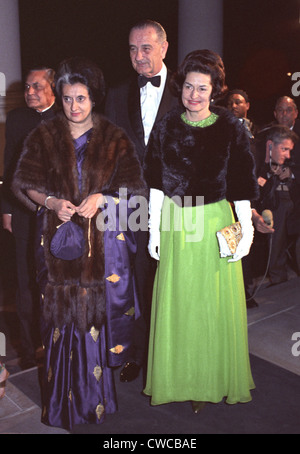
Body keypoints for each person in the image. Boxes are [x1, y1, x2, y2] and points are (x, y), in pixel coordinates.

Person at [12, 57, 146, 431]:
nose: (74, 106)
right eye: (68, 98)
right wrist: (51, 202)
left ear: (94, 99)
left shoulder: (115, 138)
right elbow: (25, 185)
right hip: (57, 246)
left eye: (82, 98)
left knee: (93, 323)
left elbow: (135, 192)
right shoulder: (43, 136)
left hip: (101, 249)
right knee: (58, 322)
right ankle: (60, 407)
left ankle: (95, 404)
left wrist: (103, 198)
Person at [143, 49, 259, 412]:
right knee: (180, 304)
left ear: (215, 91)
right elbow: (157, 184)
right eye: (189, 87)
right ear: (181, 88)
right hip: (176, 222)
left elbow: (241, 184)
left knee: (212, 305)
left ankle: (211, 379)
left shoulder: (230, 127)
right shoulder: (167, 126)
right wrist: (153, 230)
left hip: (215, 223)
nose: (194, 95)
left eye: (202, 88)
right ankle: (181, 378)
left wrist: (247, 232)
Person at [105, 19, 178, 383]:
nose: (138, 56)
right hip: (132, 204)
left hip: (180, 205)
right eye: (133, 49)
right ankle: (138, 352)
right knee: (136, 279)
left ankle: (173, 354)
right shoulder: (117, 94)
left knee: (173, 279)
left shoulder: (188, 91)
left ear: (164, 48)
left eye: (146, 48)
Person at [1, 67, 56, 369]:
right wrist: (6, 209)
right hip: (23, 213)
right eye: (27, 87)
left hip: (60, 215)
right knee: (25, 283)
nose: (30, 92)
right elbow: (8, 163)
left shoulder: (67, 115)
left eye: (37, 86)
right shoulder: (18, 118)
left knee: (55, 282)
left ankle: (56, 344)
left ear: (53, 88)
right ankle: (28, 349)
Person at [253, 125, 298, 286]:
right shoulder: (253, 154)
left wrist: (284, 173)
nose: (287, 155)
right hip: (267, 202)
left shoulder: (274, 159)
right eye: (284, 149)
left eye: (289, 150)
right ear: (270, 145)